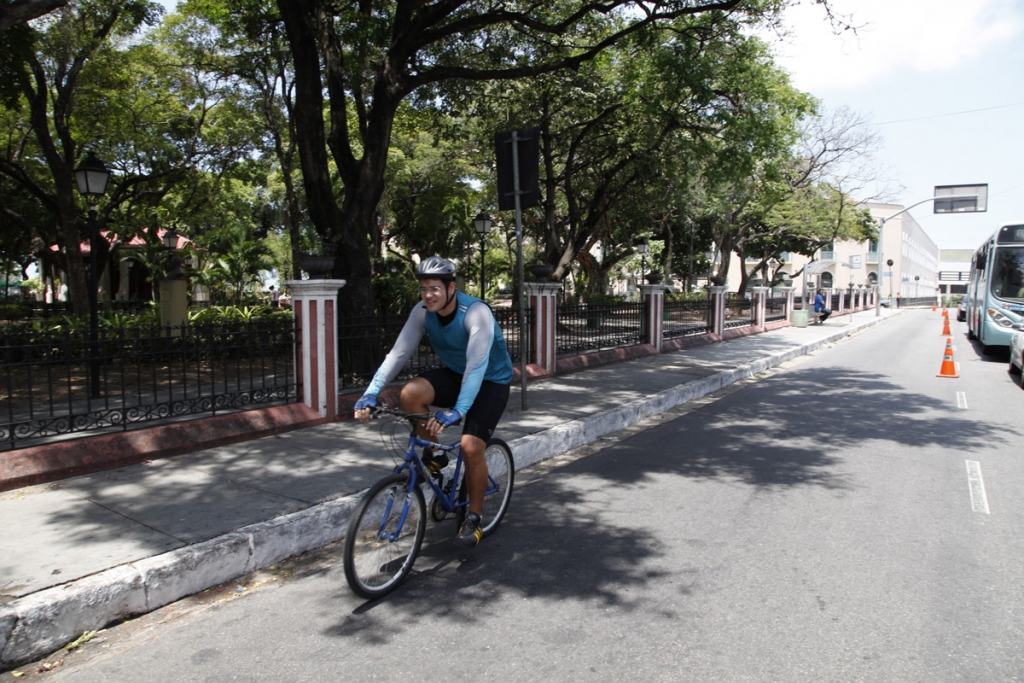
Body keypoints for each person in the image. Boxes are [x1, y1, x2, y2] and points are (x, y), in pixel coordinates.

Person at [354, 257, 514, 548]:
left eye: (435, 288)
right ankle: (436, 457)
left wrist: (458, 411)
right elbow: (398, 353)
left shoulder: (475, 312)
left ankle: (474, 519)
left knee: (470, 446)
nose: (428, 294)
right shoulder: (422, 312)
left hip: (491, 380)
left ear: (451, 288)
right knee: (409, 394)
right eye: (424, 288)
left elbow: (477, 367)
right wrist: (371, 392)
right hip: (455, 374)